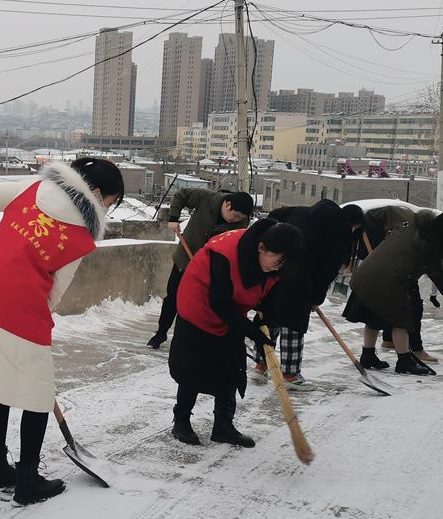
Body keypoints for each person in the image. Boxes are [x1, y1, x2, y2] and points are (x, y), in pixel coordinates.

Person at [0, 158, 124, 505]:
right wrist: (39, 313)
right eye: (110, 202)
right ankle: (27, 479)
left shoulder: (33, 188)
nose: (107, 209)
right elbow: (56, 289)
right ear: (97, 193)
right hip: (20, 310)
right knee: (38, 398)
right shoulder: (81, 233)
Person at [169, 220, 302, 447]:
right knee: (192, 369)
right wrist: (251, 331)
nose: (278, 267)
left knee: (231, 369)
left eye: (283, 264)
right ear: (261, 248)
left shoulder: (276, 262)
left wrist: (265, 323)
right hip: (198, 309)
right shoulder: (225, 254)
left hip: (231, 310)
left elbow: (273, 292)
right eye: (276, 261)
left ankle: (223, 426)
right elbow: (219, 303)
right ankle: (181, 421)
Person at [252, 201, 364, 390]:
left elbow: (276, 214)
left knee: (268, 319)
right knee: (293, 326)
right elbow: (325, 274)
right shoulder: (340, 239)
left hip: (274, 270)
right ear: (353, 224)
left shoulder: (302, 211)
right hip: (301, 282)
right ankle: (290, 375)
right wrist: (315, 298)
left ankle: (260, 366)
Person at [343, 209, 443, 376]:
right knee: (401, 320)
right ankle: (404, 360)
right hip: (390, 279)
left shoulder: (408, 219)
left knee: (373, 316)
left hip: (366, 272)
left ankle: (368, 355)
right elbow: (438, 275)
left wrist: (378, 236)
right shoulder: (431, 247)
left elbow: (377, 214)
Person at [147, 189, 253, 349]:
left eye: (241, 218)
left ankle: (183, 340)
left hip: (207, 271)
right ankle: (160, 333)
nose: (237, 220)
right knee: (173, 298)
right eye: (236, 216)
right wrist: (174, 218)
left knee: (194, 305)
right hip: (184, 261)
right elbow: (181, 194)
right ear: (228, 205)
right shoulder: (206, 198)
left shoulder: (241, 225)